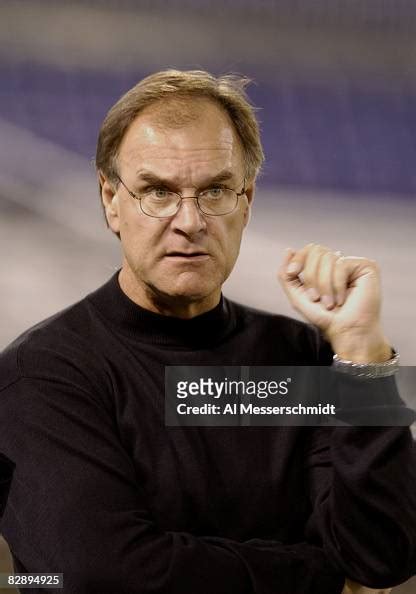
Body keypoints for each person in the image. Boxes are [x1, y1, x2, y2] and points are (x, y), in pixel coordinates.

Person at [0, 69, 414, 594]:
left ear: (247, 201)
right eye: (157, 191)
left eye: (215, 190)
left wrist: (363, 353)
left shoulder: (302, 358)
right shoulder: (38, 375)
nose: (190, 221)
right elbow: (97, 575)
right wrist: (326, 577)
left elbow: (384, 555)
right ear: (110, 201)